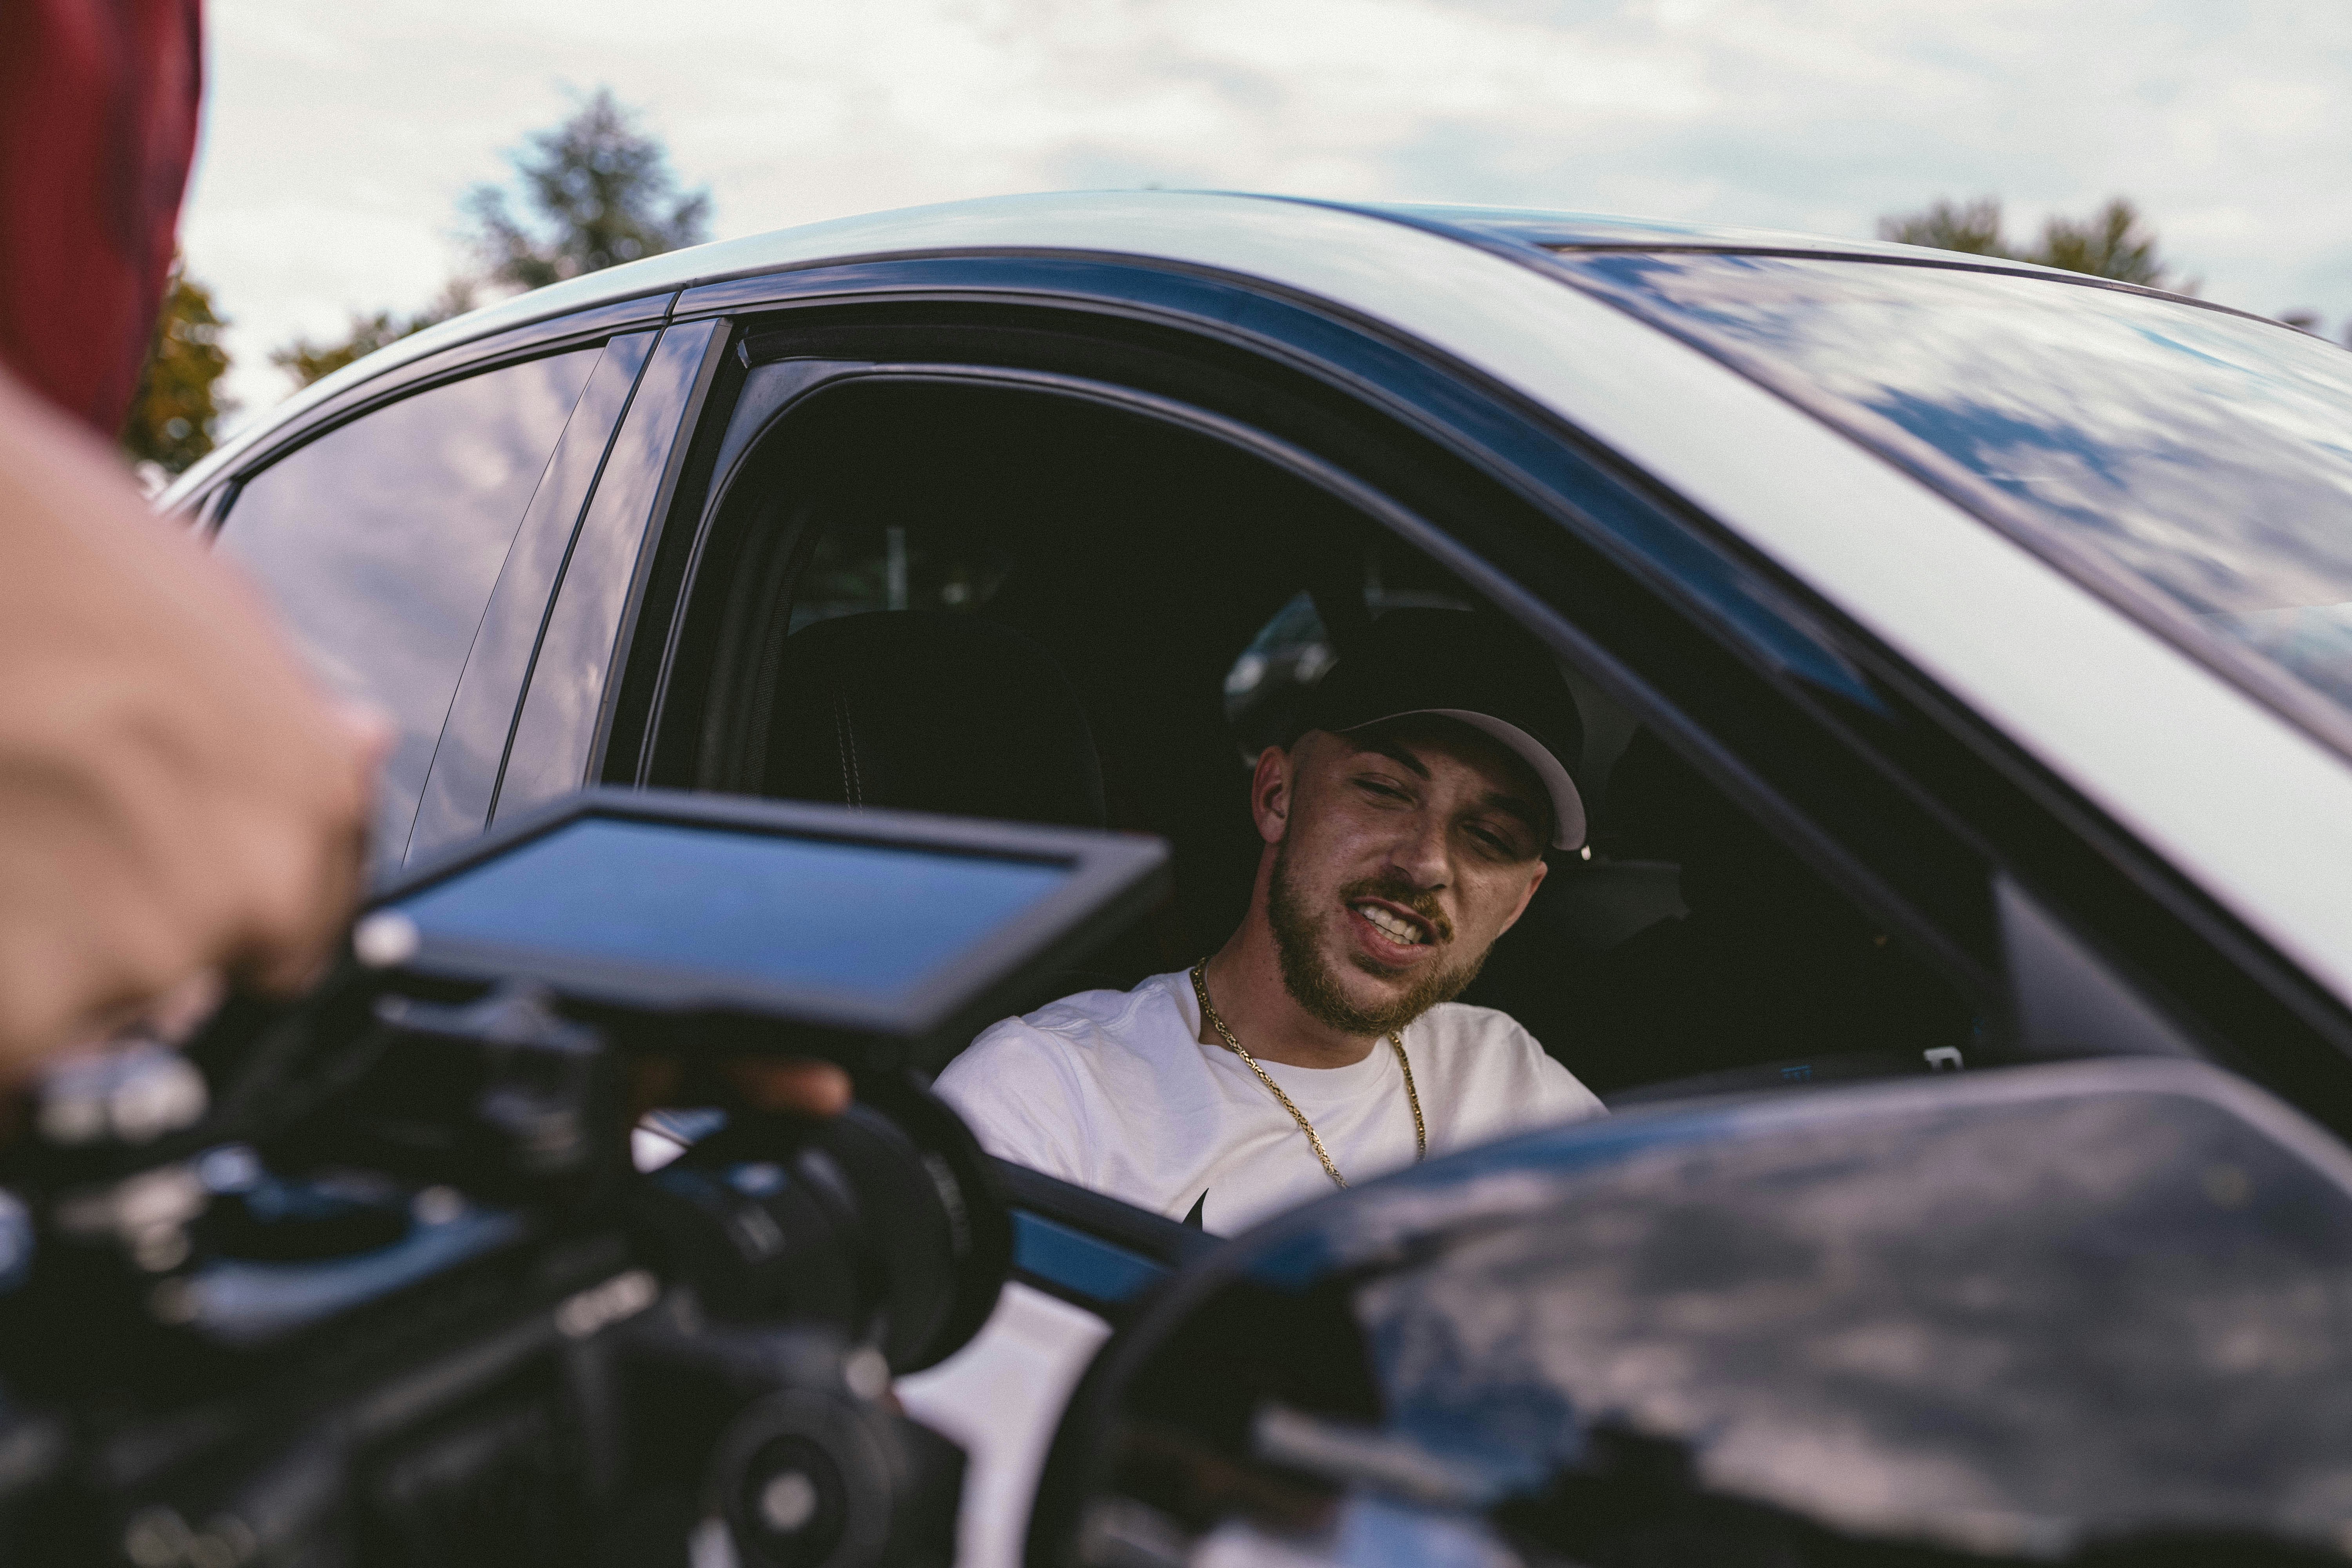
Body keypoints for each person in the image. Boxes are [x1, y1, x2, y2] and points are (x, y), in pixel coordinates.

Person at [938, 609, 1605, 1233]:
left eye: (1490, 837)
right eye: (1385, 792)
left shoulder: (1511, 1086)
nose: (1428, 861)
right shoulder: (1050, 1098)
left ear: (1518, 903)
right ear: (1276, 797)